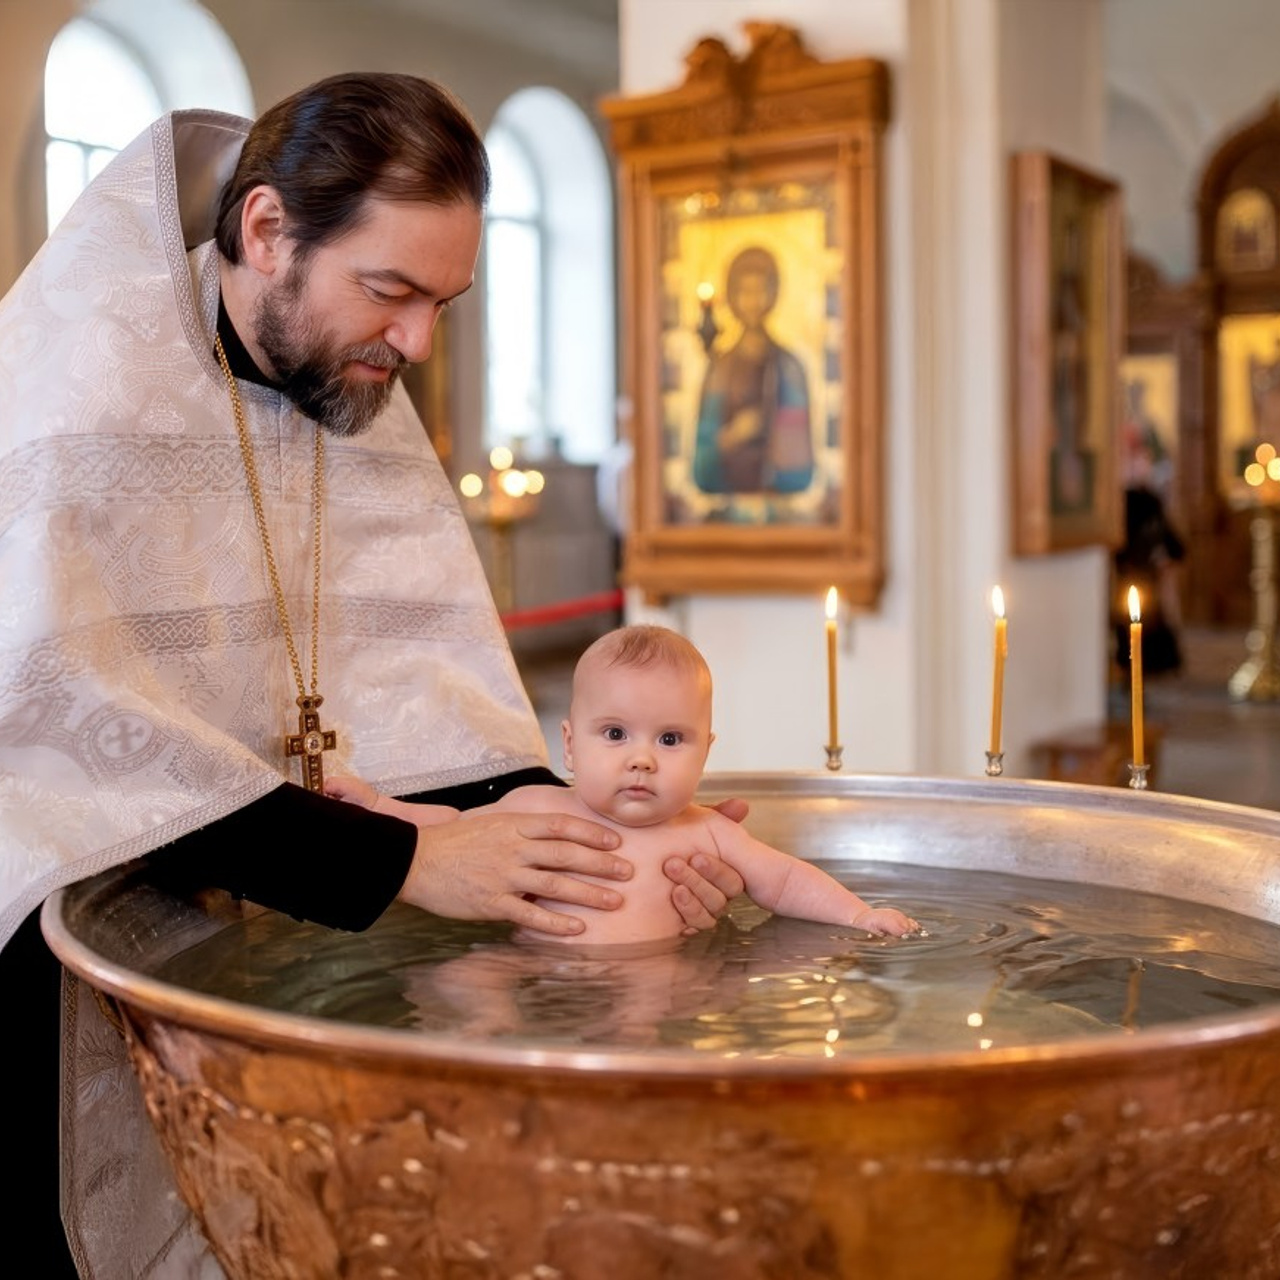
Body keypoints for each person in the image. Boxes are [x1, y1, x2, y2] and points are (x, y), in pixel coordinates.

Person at [0, 73, 745, 1277]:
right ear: (265, 230)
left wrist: (592, 841)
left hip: (271, 933)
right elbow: (74, 737)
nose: (415, 344)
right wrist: (402, 859)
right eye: (390, 290)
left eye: (441, 302)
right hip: (50, 966)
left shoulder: (345, 386)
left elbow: (423, 694)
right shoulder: (75, 390)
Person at [329, 625, 921, 944]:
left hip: (652, 975)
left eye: (670, 739)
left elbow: (786, 880)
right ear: (569, 745)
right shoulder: (533, 806)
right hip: (533, 965)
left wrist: (858, 914)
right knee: (469, 978)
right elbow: (451, 830)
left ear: (706, 753)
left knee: (661, 1007)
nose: (642, 760)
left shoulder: (709, 833)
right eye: (615, 734)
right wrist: (379, 807)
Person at [691, 245, 814, 496]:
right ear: (733, 296)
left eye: (760, 290)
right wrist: (733, 436)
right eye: (745, 291)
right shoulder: (720, 369)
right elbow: (702, 467)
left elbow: (799, 468)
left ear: (773, 294)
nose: (753, 301)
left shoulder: (789, 367)